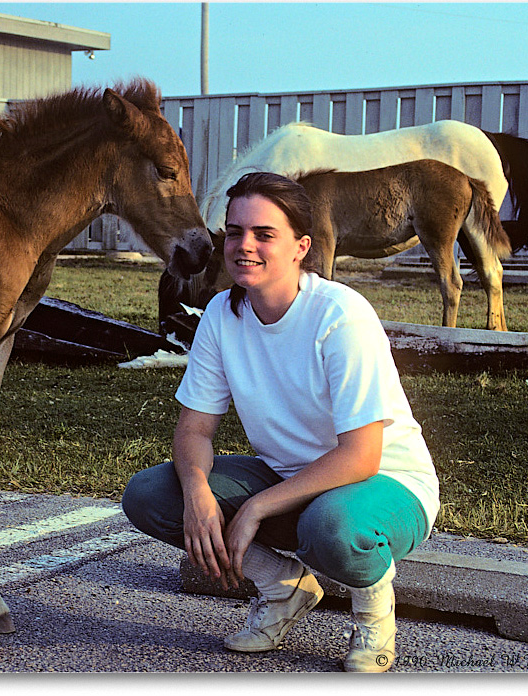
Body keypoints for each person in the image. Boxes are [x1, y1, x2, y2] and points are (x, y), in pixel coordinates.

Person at [122, 171, 439, 672]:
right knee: (153, 495)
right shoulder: (221, 319)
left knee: (331, 526)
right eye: (234, 231)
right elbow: (194, 430)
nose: (243, 245)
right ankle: (283, 588)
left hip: (385, 484)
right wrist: (198, 490)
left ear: (301, 247)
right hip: (292, 479)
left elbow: (362, 455)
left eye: (264, 234)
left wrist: (253, 510)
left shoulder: (341, 315)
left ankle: (375, 612)